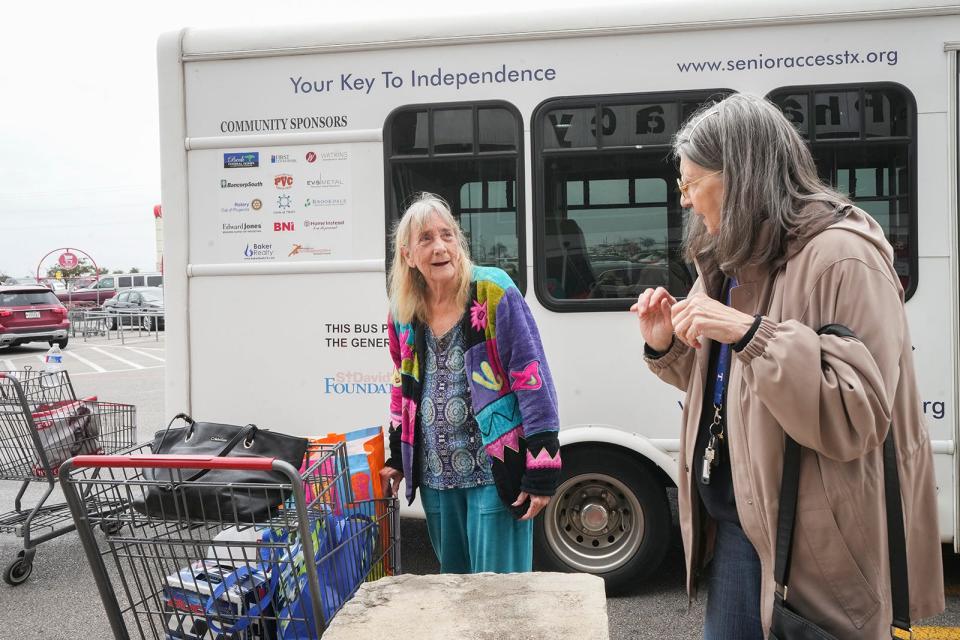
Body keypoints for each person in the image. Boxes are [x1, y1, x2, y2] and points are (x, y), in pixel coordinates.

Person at [632, 93, 944, 638]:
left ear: (741, 174)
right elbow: (742, 392)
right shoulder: (729, 257)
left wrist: (750, 333)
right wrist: (670, 348)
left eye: (689, 183)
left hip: (812, 542)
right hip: (736, 527)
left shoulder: (844, 256)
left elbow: (858, 415)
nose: (684, 201)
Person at [380, 193, 561, 573]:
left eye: (447, 235)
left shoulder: (492, 291)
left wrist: (542, 463)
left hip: (494, 471)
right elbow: (402, 386)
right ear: (408, 254)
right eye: (426, 239)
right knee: (455, 594)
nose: (440, 247)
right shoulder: (402, 310)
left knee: (500, 597)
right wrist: (397, 455)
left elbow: (532, 377)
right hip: (435, 476)